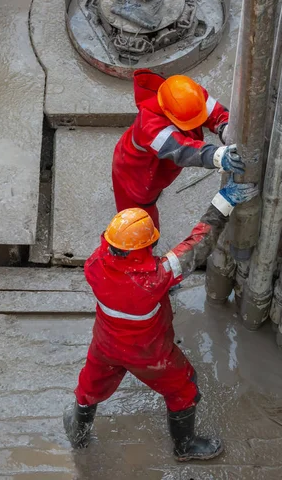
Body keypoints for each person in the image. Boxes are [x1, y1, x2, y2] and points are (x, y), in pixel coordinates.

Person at [63, 174, 258, 461]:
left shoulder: (94, 263)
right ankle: (185, 446)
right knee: (183, 387)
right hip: (147, 353)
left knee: (90, 386)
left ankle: (78, 431)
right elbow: (198, 245)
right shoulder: (156, 277)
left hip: (105, 345)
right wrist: (222, 204)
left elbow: (126, 273)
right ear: (143, 248)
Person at [112, 69, 244, 229]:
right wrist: (217, 156)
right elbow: (183, 150)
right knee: (139, 218)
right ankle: (146, 244)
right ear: (168, 113)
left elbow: (215, 113)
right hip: (135, 173)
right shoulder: (149, 127)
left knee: (153, 191)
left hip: (155, 165)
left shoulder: (187, 95)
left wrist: (225, 127)